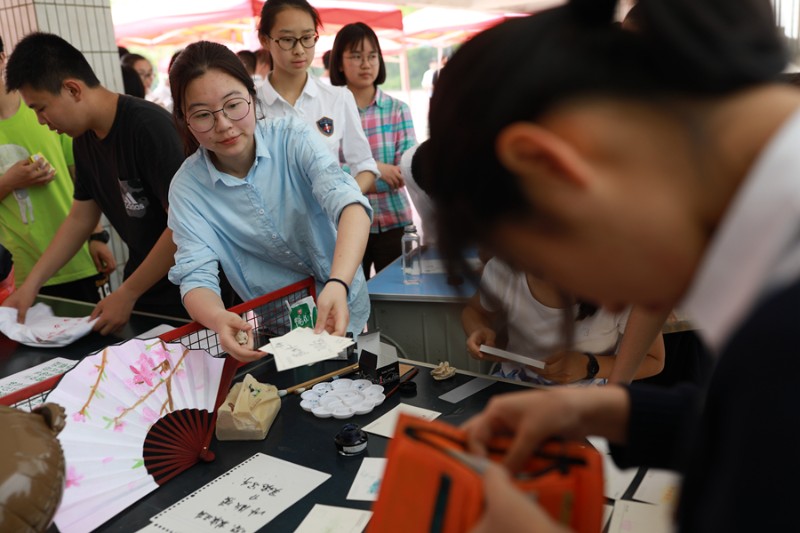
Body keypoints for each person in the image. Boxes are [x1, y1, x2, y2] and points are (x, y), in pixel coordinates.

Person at [425, 0, 800, 531]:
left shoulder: (780, 325)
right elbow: (760, 429)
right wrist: (606, 413)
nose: (607, 297)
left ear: (547, 163)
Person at [167, 40, 372, 363]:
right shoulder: (188, 188)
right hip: (278, 329)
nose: (223, 125)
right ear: (185, 120)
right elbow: (195, 275)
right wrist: (218, 318)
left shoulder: (292, 137)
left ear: (252, 95)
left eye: (234, 105)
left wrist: (338, 282)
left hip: (344, 300)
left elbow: (351, 205)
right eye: (203, 115)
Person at [3, 32, 187, 334]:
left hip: (192, 293)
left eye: (40, 107)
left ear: (73, 89)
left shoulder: (148, 127)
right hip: (148, 293)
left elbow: (184, 225)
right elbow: (79, 218)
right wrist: (30, 286)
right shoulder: (84, 140)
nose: (40, 120)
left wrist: (127, 292)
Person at [0, 36, 115, 305]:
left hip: (77, 257)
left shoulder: (46, 108)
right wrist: (8, 181)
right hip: (20, 270)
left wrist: (97, 235)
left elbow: (82, 178)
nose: (41, 116)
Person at [462, 258, 665, 385]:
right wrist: (479, 330)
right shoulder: (505, 269)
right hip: (514, 388)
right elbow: (474, 311)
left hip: (587, 405)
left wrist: (588, 366)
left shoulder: (623, 288)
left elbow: (654, 360)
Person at [256, 0, 379, 194]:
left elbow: (364, 164)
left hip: (329, 221)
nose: (299, 50)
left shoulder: (338, 98)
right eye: (287, 40)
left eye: (307, 37)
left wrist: (343, 200)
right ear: (265, 40)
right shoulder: (250, 104)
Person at [330, 22, 417, 278]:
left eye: (372, 56)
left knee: (401, 302)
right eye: (356, 57)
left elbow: (405, 172)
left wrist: (360, 175)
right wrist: (377, 169)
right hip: (347, 225)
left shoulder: (398, 109)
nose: (366, 64)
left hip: (395, 222)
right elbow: (328, 171)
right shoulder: (330, 112)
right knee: (352, 303)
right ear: (339, 64)